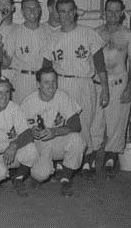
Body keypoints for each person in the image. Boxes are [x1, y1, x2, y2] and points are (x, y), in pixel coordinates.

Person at [41, 0, 109, 181]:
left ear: (75, 11)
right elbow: (46, 66)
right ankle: (63, 162)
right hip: (60, 83)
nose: (66, 15)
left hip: (83, 82)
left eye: (70, 10)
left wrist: (105, 88)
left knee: (84, 121)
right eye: (62, 11)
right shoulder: (52, 37)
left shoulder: (88, 33)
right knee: (60, 122)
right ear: (57, 13)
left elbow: (100, 64)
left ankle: (86, 160)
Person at [90, 0, 131, 178]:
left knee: (117, 124)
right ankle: (92, 156)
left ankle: (111, 157)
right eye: (109, 10)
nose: (113, 14)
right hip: (97, 84)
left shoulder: (129, 35)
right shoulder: (95, 33)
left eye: (117, 11)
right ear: (104, 12)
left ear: (122, 13)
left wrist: (130, 88)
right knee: (95, 123)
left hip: (119, 83)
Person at [21, 67, 86, 197]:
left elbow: (76, 125)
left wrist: (55, 131)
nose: (51, 86)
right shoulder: (28, 102)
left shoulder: (62, 96)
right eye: (46, 82)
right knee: (41, 174)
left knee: (78, 140)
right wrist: (30, 132)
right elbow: (19, 132)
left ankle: (65, 179)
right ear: (38, 84)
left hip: (57, 140)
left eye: (53, 81)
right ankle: (37, 174)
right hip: (39, 144)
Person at [0, 76, 39, 196]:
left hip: (11, 153)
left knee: (31, 150)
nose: (4, 96)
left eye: (7, 92)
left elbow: (27, 133)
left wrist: (14, 145)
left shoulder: (15, 108)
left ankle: (18, 178)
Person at [3, 0, 52, 103]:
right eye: (28, 8)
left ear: (39, 10)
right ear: (22, 11)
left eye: (35, 8)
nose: (32, 11)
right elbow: (6, 63)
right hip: (23, 80)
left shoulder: (48, 32)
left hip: (44, 80)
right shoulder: (14, 32)